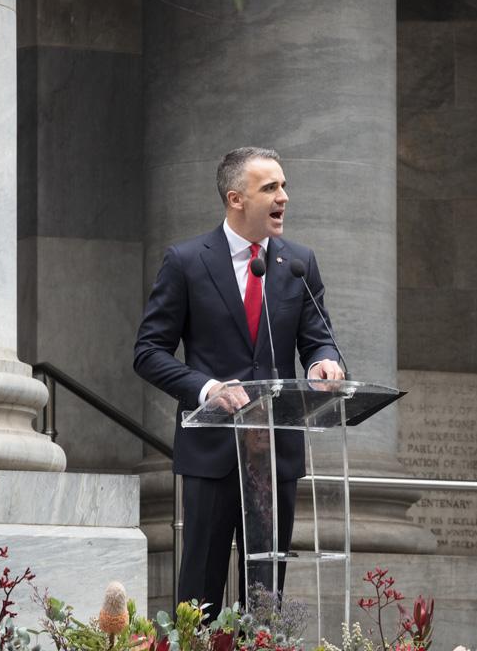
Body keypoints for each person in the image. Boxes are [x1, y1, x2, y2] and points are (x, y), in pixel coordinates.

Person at [134, 146, 344, 618]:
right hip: (211, 450)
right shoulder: (186, 262)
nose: (283, 197)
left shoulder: (298, 263)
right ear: (235, 199)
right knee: (200, 597)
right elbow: (148, 353)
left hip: (275, 452)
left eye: (284, 186)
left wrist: (322, 366)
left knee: (266, 598)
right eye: (270, 188)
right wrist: (208, 389)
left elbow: (319, 341)